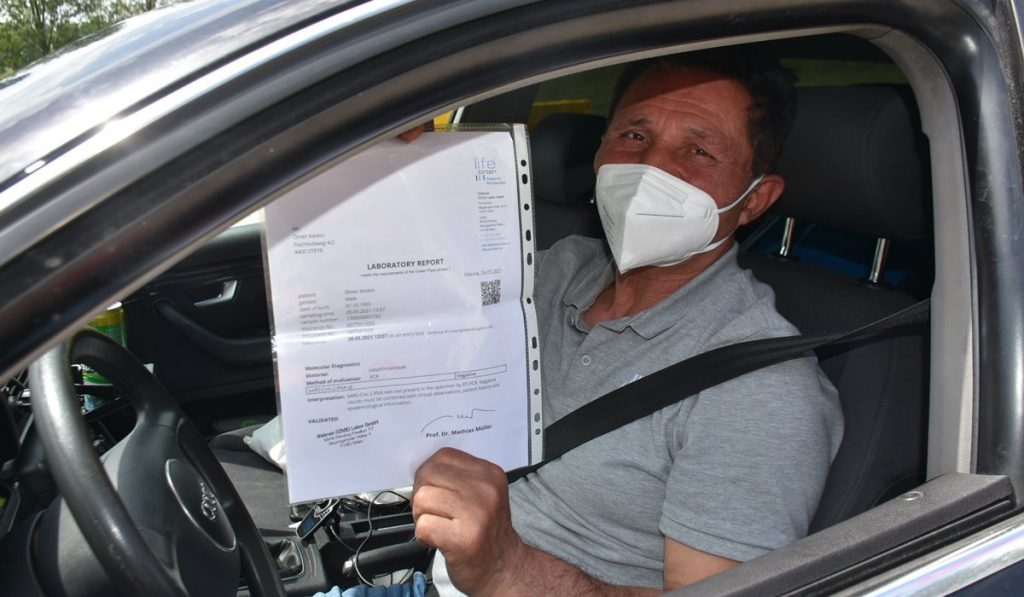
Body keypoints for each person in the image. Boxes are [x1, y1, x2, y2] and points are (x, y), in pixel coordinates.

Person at [412, 48, 844, 595]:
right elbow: (425, 322)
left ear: (755, 200)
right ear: (599, 151)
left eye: (699, 150)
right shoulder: (561, 268)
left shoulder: (761, 387)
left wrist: (505, 568)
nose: (652, 166)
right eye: (635, 136)